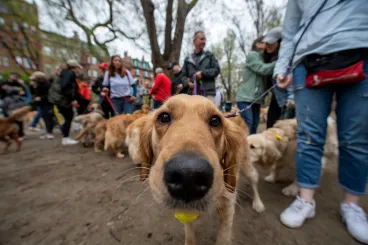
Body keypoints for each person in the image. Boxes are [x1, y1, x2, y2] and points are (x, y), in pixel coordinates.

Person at [275, 1, 368, 244]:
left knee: (356, 137)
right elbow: (290, 30)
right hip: (308, 62)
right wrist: (281, 67)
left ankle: (352, 205)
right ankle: (305, 199)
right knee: (308, 135)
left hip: (361, 50)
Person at [235, 37, 275, 134]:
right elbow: (262, 69)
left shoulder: (262, 58)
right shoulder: (253, 55)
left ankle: (251, 146)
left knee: (254, 126)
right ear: (257, 44)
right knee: (248, 125)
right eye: (264, 42)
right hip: (246, 98)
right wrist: (279, 63)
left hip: (256, 99)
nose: (267, 44)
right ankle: (244, 147)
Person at [263, 27, 294, 129]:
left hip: (288, 98)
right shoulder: (269, 57)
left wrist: (291, 97)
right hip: (276, 96)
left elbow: (292, 76)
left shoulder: (287, 57)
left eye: (271, 42)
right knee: (271, 124)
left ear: (279, 42)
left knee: (287, 127)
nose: (267, 45)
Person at [48, 59, 81, 145]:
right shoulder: (69, 73)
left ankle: (65, 136)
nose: (79, 70)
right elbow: (66, 87)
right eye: (78, 67)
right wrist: (72, 99)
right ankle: (65, 138)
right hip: (63, 100)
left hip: (59, 99)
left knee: (68, 117)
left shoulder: (64, 73)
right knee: (69, 117)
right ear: (75, 67)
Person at [182, 31, 220, 102]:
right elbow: (182, 76)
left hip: (208, 93)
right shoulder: (187, 59)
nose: (204, 41)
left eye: (205, 39)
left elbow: (216, 70)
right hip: (192, 95)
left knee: (209, 113)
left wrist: (203, 73)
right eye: (202, 39)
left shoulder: (209, 56)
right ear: (194, 41)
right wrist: (187, 83)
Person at [0, 72, 30, 140]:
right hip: (6, 104)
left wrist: (22, 93)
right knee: (7, 119)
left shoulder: (19, 84)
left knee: (18, 118)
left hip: (16, 103)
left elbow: (24, 94)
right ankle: (9, 133)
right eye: (14, 76)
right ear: (10, 76)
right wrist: (3, 89)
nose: (15, 77)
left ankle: (20, 134)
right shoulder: (4, 83)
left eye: (16, 76)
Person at [30, 71, 54, 140]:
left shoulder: (46, 84)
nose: (33, 80)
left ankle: (49, 133)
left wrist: (41, 98)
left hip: (47, 103)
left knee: (48, 118)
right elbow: (34, 93)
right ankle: (48, 132)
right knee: (45, 118)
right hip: (41, 104)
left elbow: (49, 95)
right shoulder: (37, 84)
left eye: (34, 79)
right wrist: (31, 86)